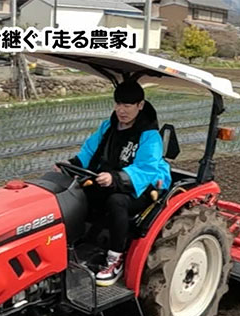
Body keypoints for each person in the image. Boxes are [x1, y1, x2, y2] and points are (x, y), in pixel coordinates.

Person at [61, 79, 171, 286]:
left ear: (140, 105)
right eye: (118, 104)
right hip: (110, 179)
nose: (121, 110)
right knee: (77, 192)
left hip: (144, 186)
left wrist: (116, 178)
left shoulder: (149, 136)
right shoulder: (108, 127)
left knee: (116, 202)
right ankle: (74, 243)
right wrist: (70, 165)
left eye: (127, 105)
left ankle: (115, 259)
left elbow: (147, 169)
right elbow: (89, 151)